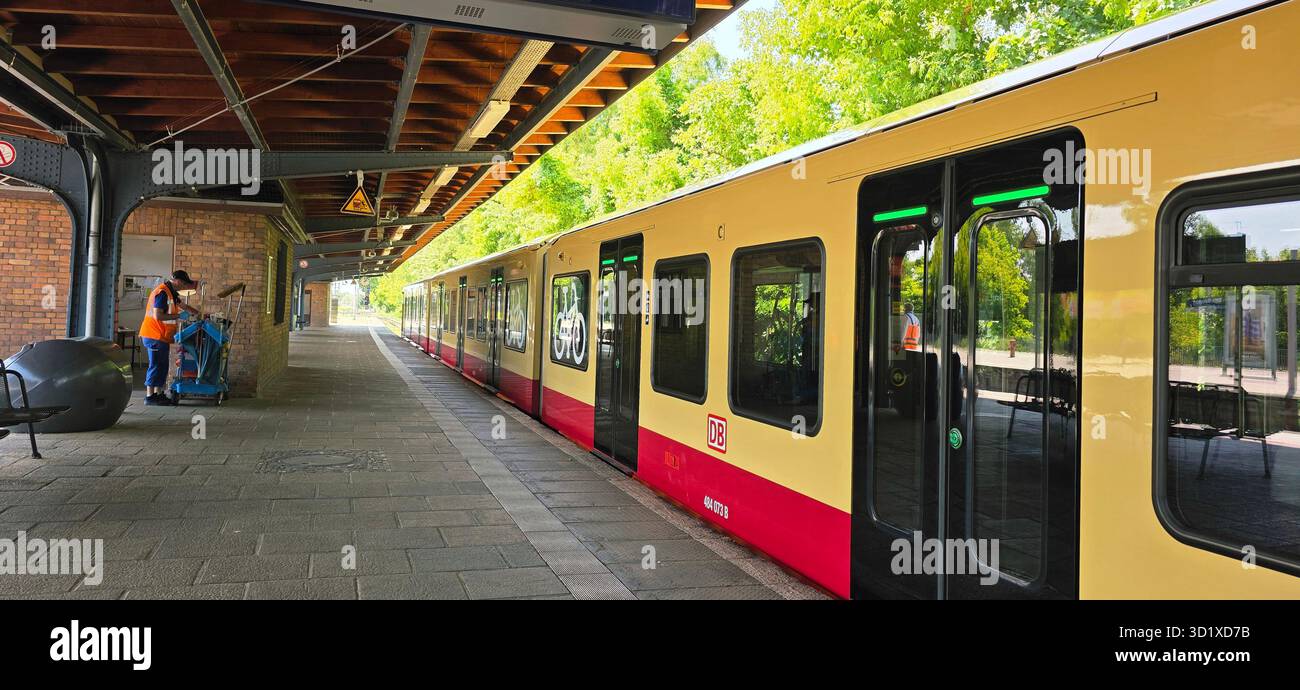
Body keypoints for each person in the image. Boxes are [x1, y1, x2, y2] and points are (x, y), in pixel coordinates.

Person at [137, 270, 202, 406]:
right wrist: (179, 316)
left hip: (161, 336)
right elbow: (158, 316)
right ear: (176, 280)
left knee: (162, 365)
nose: (183, 286)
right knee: (155, 365)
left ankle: (158, 394)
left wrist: (199, 315)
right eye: (183, 283)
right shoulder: (162, 292)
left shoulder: (171, 293)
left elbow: (183, 305)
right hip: (154, 335)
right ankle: (150, 396)